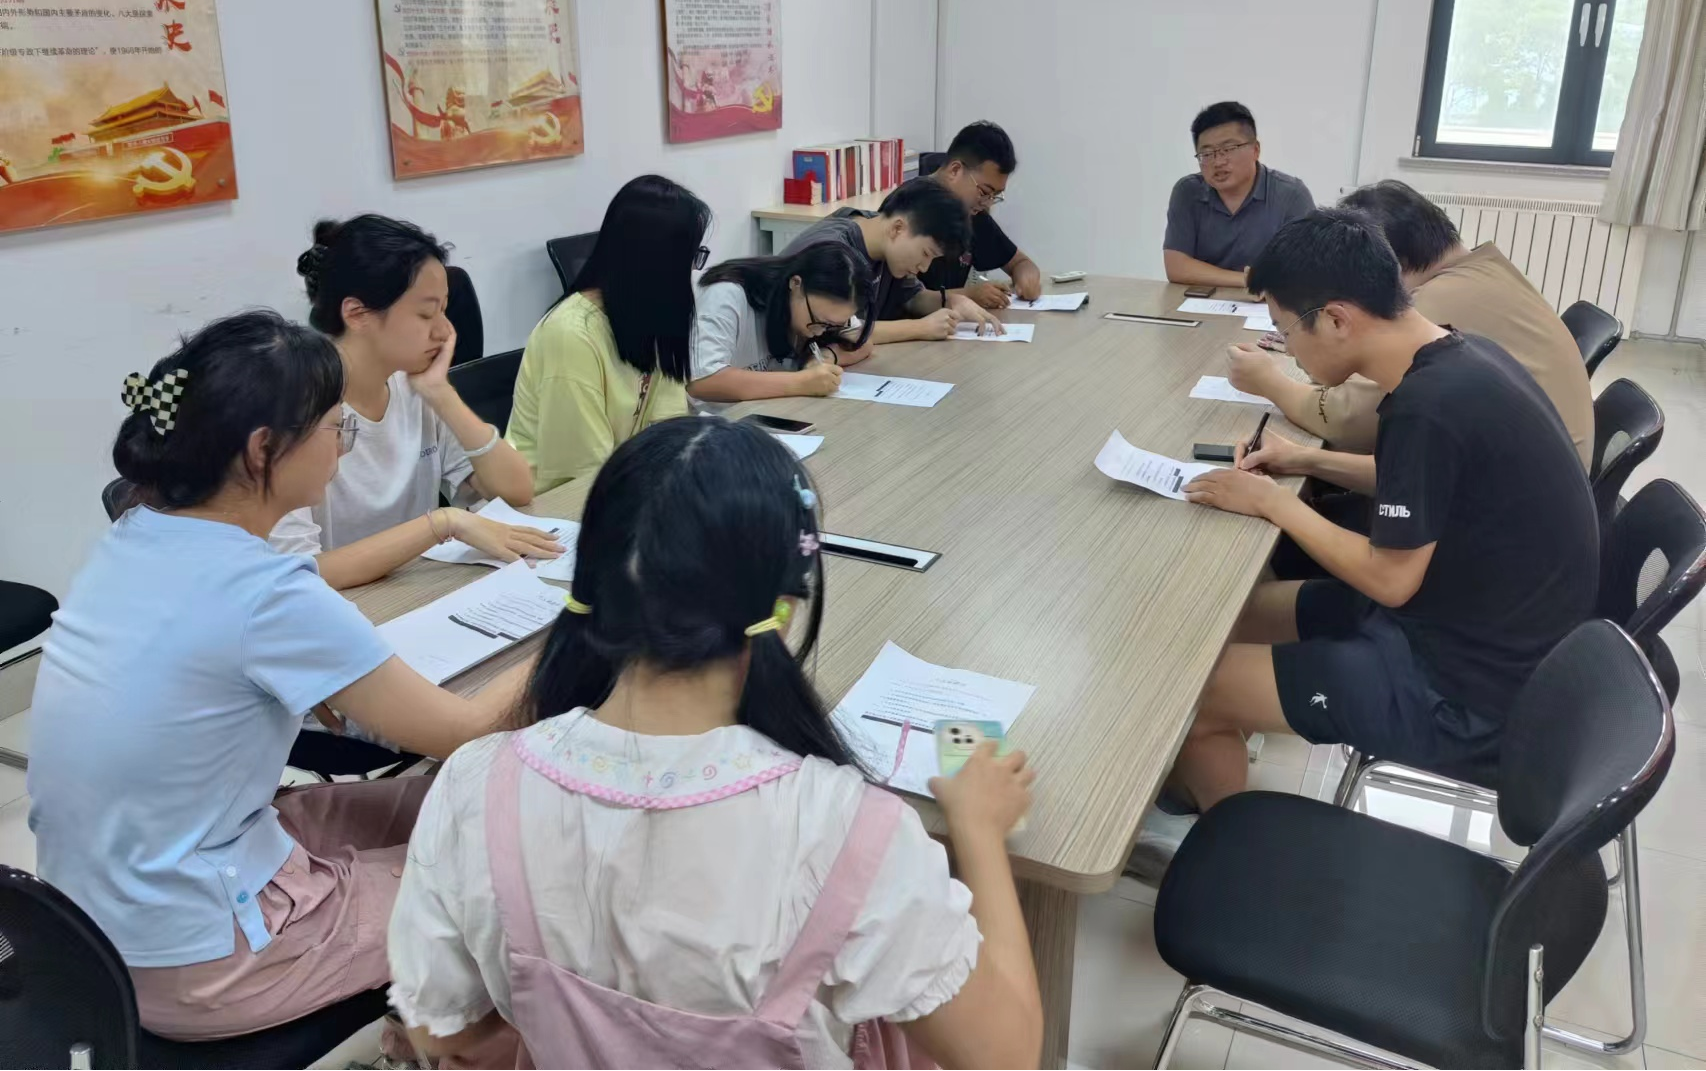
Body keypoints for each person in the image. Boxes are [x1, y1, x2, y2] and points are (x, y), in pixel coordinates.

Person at [387, 418, 1044, 1070]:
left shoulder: (476, 785)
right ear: (783, 610)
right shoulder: (845, 832)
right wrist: (979, 832)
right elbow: (1006, 1055)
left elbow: (442, 1032)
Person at [27, 310, 524, 1047]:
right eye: (334, 428)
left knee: (468, 802)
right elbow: (467, 729)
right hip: (201, 958)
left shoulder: (137, 532)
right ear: (263, 449)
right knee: (514, 865)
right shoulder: (264, 590)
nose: (341, 446)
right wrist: (584, 620)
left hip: (102, 923)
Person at [1169, 211, 1595, 823]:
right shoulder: (1461, 353)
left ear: (1336, 320)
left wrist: (1272, 501)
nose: (1286, 352)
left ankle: (1228, 843)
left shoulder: (1428, 406)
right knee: (1234, 616)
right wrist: (1303, 458)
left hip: (1468, 690)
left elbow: (1390, 578)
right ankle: (1229, 745)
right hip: (1466, 621)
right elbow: (1424, 480)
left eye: (1285, 332)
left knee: (1193, 691)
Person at [274, 214, 561, 590]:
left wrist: (441, 393)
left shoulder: (414, 387)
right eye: (426, 314)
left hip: (414, 590)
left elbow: (516, 490)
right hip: (345, 604)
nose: (445, 331)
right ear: (357, 314)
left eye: (444, 310)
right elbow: (303, 571)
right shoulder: (293, 412)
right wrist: (442, 523)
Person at [1227, 180, 1594, 469]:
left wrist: (1268, 381)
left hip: (1509, 503)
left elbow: (1349, 419)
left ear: (1384, 261)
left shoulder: (1438, 303)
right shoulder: (1480, 270)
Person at [506, 175, 712, 492]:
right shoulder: (571, 334)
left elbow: (669, 431)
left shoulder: (652, 313)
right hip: (552, 502)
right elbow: (585, 471)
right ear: (654, 262)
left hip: (624, 489)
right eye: (688, 258)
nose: (691, 272)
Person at [782, 176, 998, 365]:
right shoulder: (835, 253)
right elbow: (842, 328)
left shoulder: (883, 238)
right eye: (925, 253)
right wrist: (920, 328)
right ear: (897, 228)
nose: (924, 267)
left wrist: (952, 301)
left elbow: (912, 297)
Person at [686, 241, 871, 409]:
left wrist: (823, 358)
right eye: (819, 321)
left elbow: (861, 340)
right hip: (715, 419)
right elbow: (702, 381)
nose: (820, 332)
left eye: (831, 326)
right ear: (796, 284)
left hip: (769, 409)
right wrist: (800, 382)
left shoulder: (826, 309)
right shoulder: (727, 294)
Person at [1163, 101, 1314, 289]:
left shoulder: (1291, 195)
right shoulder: (1188, 192)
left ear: (1255, 150)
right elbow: (1176, 267)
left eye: (1229, 149)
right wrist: (1249, 281)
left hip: (1267, 304)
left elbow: (1305, 271)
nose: (1218, 162)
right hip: (1203, 300)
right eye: (1207, 153)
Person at [917, 121, 1044, 309]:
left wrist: (1027, 277)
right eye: (984, 192)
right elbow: (906, 299)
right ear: (955, 170)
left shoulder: (970, 211)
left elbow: (1019, 262)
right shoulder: (910, 208)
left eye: (995, 196)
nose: (987, 202)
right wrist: (969, 296)